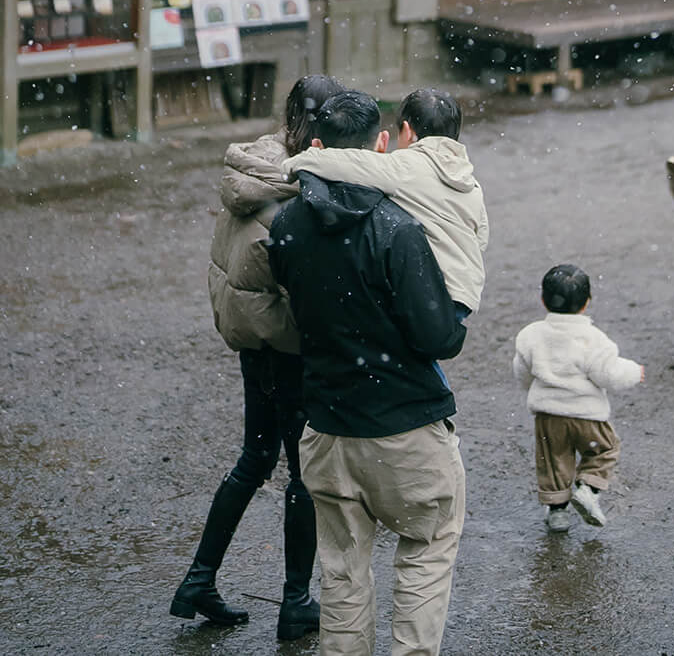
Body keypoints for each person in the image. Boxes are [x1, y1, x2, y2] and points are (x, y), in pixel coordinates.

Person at [268, 89, 468, 656]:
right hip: (405, 428)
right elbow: (439, 339)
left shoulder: (285, 226)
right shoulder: (397, 228)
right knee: (426, 551)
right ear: (380, 145)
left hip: (328, 429)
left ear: (314, 147)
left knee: (342, 573)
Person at [170, 72, 345, 636]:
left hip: (254, 344)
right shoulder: (298, 197)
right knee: (304, 474)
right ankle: (296, 601)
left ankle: (199, 579)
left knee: (255, 458)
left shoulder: (252, 172)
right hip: (289, 349)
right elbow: (310, 292)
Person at [284, 85, 489, 312]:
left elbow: (350, 163)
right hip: (465, 292)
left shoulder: (405, 166)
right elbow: (480, 239)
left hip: (435, 292)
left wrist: (298, 162)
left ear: (408, 131)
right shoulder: (470, 181)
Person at [512, 262, 645, 533]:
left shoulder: (531, 335)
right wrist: (634, 371)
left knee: (554, 461)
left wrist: (536, 390)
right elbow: (608, 374)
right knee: (605, 449)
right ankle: (588, 488)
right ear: (587, 303)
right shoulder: (594, 339)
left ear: (543, 300)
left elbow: (522, 371)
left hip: (549, 417)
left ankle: (557, 512)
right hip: (587, 416)